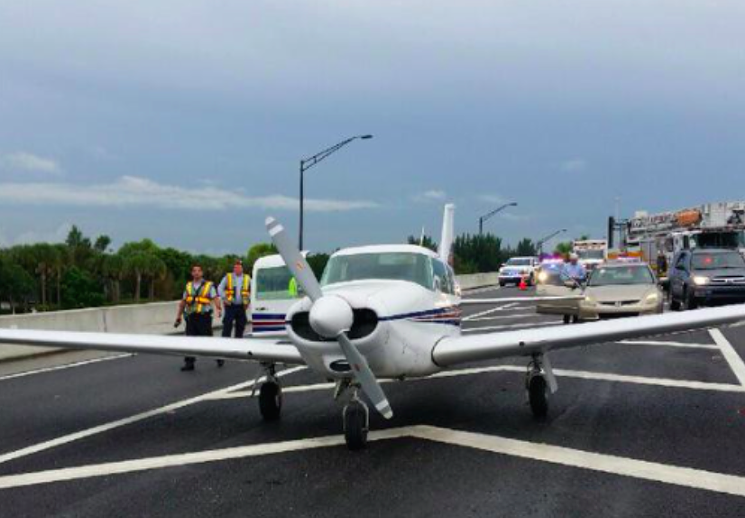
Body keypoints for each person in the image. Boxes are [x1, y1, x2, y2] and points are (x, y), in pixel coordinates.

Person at [175, 264, 222, 371]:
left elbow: (215, 298)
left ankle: (219, 356)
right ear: (192, 273)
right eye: (194, 271)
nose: (196, 273)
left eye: (199, 271)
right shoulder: (188, 286)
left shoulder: (209, 285)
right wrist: (178, 316)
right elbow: (183, 302)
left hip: (204, 317)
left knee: (208, 340)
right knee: (189, 341)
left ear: (202, 273)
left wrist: (219, 309)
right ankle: (189, 363)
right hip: (191, 317)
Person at [218, 260, 251, 349]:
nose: (237, 269)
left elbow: (252, 290)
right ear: (233, 268)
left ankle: (238, 345)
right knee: (227, 325)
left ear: (242, 268)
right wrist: (224, 298)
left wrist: (248, 301)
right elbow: (220, 288)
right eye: (235, 267)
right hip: (230, 306)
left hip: (241, 307)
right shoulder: (228, 277)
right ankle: (224, 346)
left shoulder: (247, 278)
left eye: (239, 267)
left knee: (241, 325)